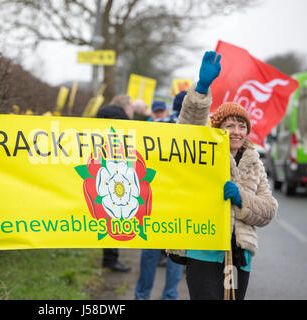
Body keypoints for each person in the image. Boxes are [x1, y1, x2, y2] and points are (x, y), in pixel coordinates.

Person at [172, 51, 278, 299]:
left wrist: (241, 198)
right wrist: (201, 89)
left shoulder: (255, 163)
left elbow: (269, 209)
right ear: (218, 129)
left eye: (242, 126)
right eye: (230, 125)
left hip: (239, 254)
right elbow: (188, 128)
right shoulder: (203, 152)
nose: (237, 131)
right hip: (203, 250)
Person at [134, 93, 186, 300]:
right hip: (180, 200)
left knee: (150, 251)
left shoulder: (156, 125)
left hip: (154, 197)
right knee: (176, 253)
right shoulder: (197, 130)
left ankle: (142, 295)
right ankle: (170, 296)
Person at [95, 96, 132, 273]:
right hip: (116, 171)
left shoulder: (99, 115)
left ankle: (108, 257)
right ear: (125, 107)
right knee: (113, 214)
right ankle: (111, 258)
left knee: (102, 212)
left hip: (97, 168)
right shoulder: (124, 120)